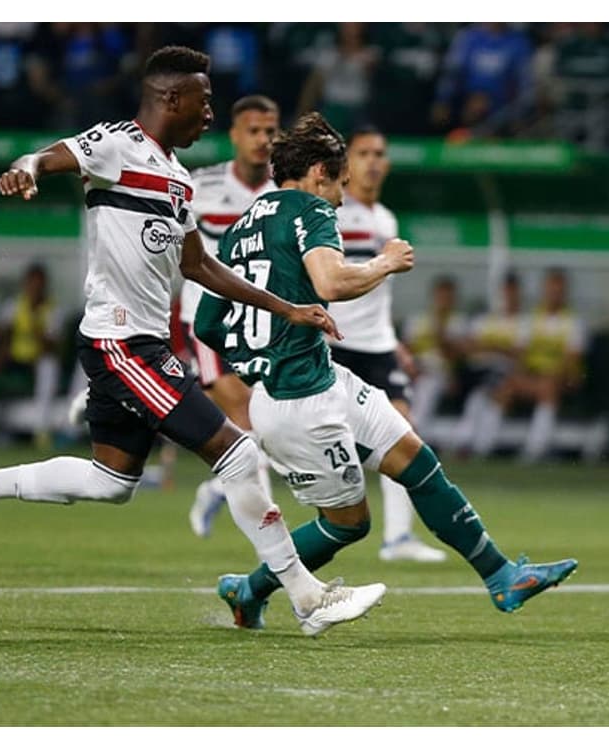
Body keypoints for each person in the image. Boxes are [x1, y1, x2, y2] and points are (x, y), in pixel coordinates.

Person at [0, 46, 384, 637]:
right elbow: (47, 155)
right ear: (173, 98)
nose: (211, 114)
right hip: (120, 341)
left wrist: (289, 307)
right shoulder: (116, 144)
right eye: (206, 101)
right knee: (236, 452)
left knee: (110, 482)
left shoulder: (178, 180)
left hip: (144, 343)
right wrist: (29, 170)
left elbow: (201, 267)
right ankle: (306, 596)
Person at [193, 112, 577, 629]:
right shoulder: (311, 209)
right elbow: (330, 283)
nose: (343, 196)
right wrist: (385, 262)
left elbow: (207, 322)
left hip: (320, 381)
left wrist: (252, 364)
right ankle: (250, 589)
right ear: (320, 172)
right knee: (349, 524)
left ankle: (501, 577)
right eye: (342, 182)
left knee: (417, 462)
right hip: (299, 406)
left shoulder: (240, 229)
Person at [326, 125, 446, 562]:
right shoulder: (334, 214)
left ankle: (397, 538)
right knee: (323, 441)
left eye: (379, 153)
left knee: (403, 434)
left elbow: (379, 293)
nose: (373, 161)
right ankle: (229, 484)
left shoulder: (386, 219)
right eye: (364, 153)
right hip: (337, 344)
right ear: (347, 161)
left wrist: (395, 344)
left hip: (377, 347)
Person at [177, 94, 280, 539]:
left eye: (270, 131)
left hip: (263, 322)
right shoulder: (200, 186)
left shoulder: (285, 192)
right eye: (253, 131)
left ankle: (219, 488)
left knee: (267, 423)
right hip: (208, 319)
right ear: (235, 135)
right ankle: (271, 530)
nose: (262, 140)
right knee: (244, 410)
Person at [477, 268, 587, 463]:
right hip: (534, 376)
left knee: (548, 386)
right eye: (551, 289)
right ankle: (482, 447)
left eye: (559, 290)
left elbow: (571, 360)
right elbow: (522, 355)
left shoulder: (573, 322)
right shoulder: (532, 319)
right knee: (506, 386)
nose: (555, 294)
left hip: (562, 379)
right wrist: (521, 377)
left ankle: (534, 450)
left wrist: (545, 376)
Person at [0, 263, 64, 447]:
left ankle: (41, 428)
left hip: (38, 360)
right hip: (15, 359)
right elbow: (3, 336)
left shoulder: (52, 309)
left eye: (39, 284)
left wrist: (35, 320)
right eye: (31, 283)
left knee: (48, 365)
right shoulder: (13, 305)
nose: (35, 288)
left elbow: (52, 345)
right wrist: (0, 354)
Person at [456, 271, 527, 457]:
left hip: (503, 373)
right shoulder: (483, 320)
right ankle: (468, 444)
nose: (508, 298)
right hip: (476, 371)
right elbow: (468, 348)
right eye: (505, 293)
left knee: (486, 396)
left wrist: (489, 346)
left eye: (512, 293)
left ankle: (478, 446)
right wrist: (500, 348)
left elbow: (519, 355)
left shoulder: (523, 323)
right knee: (478, 396)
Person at [402, 275, 467, 438]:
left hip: (443, 374)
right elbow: (406, 349)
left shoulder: (459, 322)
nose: (444, 301)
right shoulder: (417, 320)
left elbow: (454, 355)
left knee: (427, 385)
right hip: (416, 369)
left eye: (448, 297)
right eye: (441, 296)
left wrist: (439, 328)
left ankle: (413, 434)